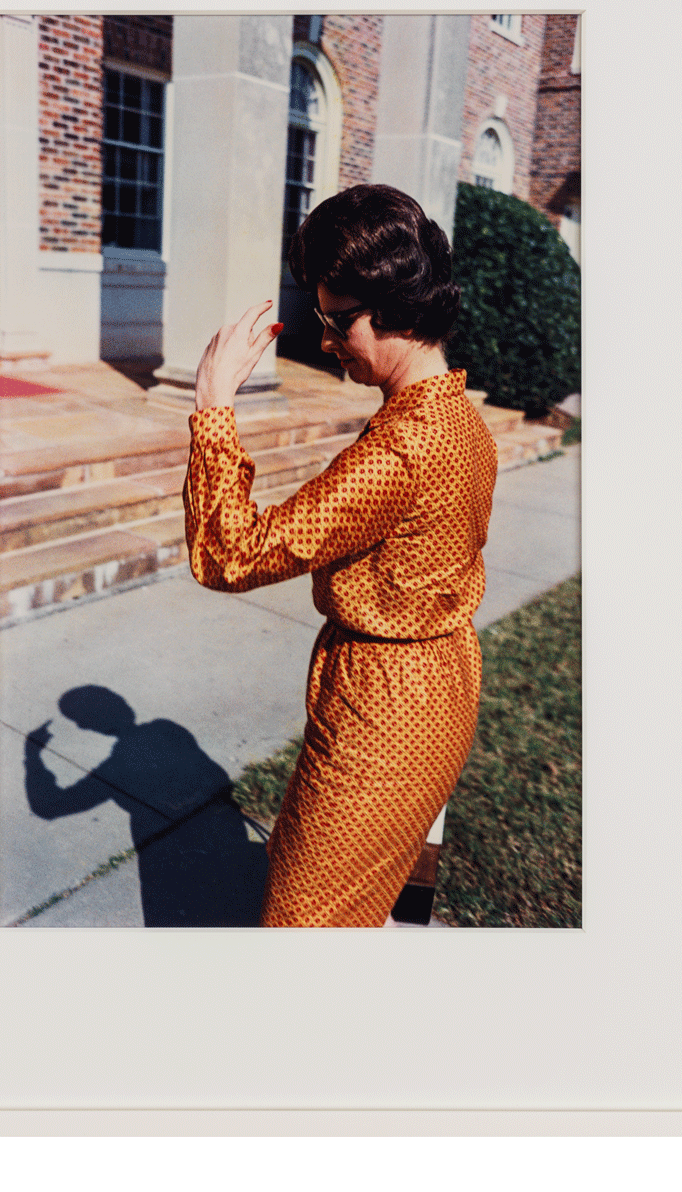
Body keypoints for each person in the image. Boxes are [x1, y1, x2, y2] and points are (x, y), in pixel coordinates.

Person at [182, 184, 497, 927]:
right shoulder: (458, 416)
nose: (325, 342)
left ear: (396, 307)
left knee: (303, 926)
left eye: (337, 321)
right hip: (441, 686)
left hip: (384, 716)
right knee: (373, 904)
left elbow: (232, 554)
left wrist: (213, 405)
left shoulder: (404, 448)